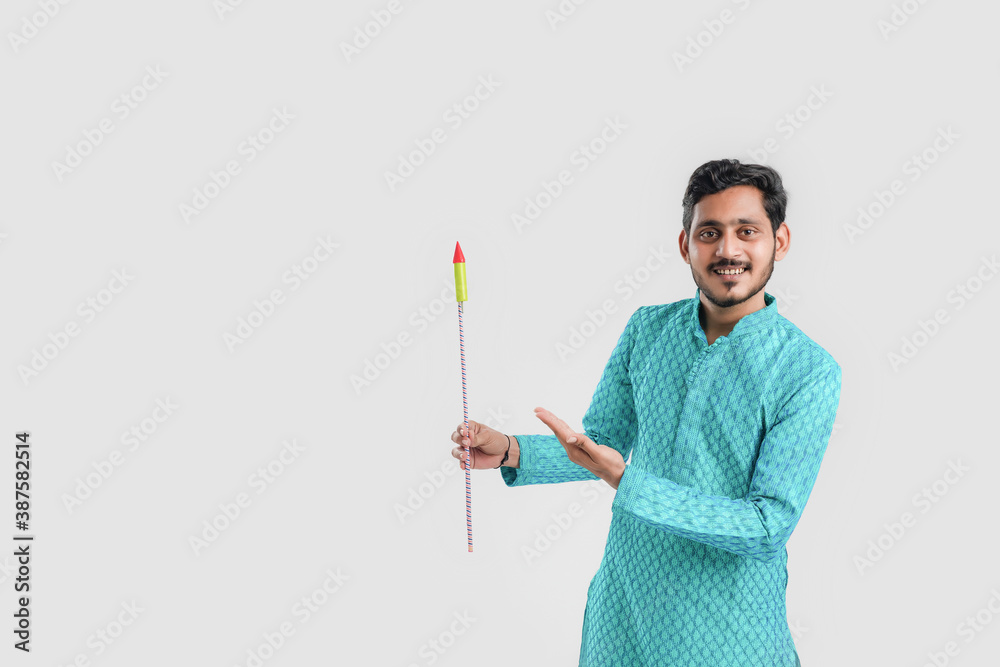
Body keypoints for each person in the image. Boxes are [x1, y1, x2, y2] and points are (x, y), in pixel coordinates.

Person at [449, 159, 842, 666]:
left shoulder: (807, 370)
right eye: (709, 232)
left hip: (727, 636)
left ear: (779, 241)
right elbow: (600, 447)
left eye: (747, 231)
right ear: (686, 245)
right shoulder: (647, 331)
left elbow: (767, 526)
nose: (728, 250)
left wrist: (628, 482)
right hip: (622, 622)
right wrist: (509, 450)